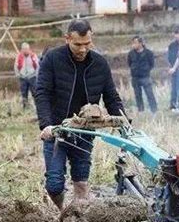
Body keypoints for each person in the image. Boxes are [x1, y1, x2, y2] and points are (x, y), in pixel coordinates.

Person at [35, 19, 124, 210]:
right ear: (67, 39)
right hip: (57, 130)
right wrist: (46, 125)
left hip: (84, 131)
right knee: (54, 184)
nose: (83, 49)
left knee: (81, 182)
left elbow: (111, 97)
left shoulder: (99, 64)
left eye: (87, 44)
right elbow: (42, 92)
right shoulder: (52, 59)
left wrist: (124, 122)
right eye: (77, 44)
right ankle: (62, 213)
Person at [127, 36, 157, 113]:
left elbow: (152, 64)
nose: (133, 45)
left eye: (135, 43)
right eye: (132, 43)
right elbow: (129, 63)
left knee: (150, 94)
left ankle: (154, 110)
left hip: (145, 77)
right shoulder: (131, 54)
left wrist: (146, 70)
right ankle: (141, 110)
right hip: (135, 77)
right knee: (138, 95)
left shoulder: (148, 53)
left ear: (141, 43)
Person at [14, 42, 39, 109]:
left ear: (29, 49)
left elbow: (37, 66)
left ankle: (37, 107)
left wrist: (36, 75)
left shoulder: (33, 56)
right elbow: (16, 66)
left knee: (35, 93)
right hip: (23, 78)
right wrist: (18, 75)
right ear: (22, 50)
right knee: (24, 94)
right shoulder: (19, 56)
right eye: (24, 49)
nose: (25, 50)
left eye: (26, 49)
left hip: (32, 77)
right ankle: (25, 107)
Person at [167, 27, 179, 111]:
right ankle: (172, 105)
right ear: (175, 35)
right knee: (174, 89)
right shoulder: (172, 46)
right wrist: (171, 67)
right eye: (177, 34)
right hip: (175, 70)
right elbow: (169, 57)